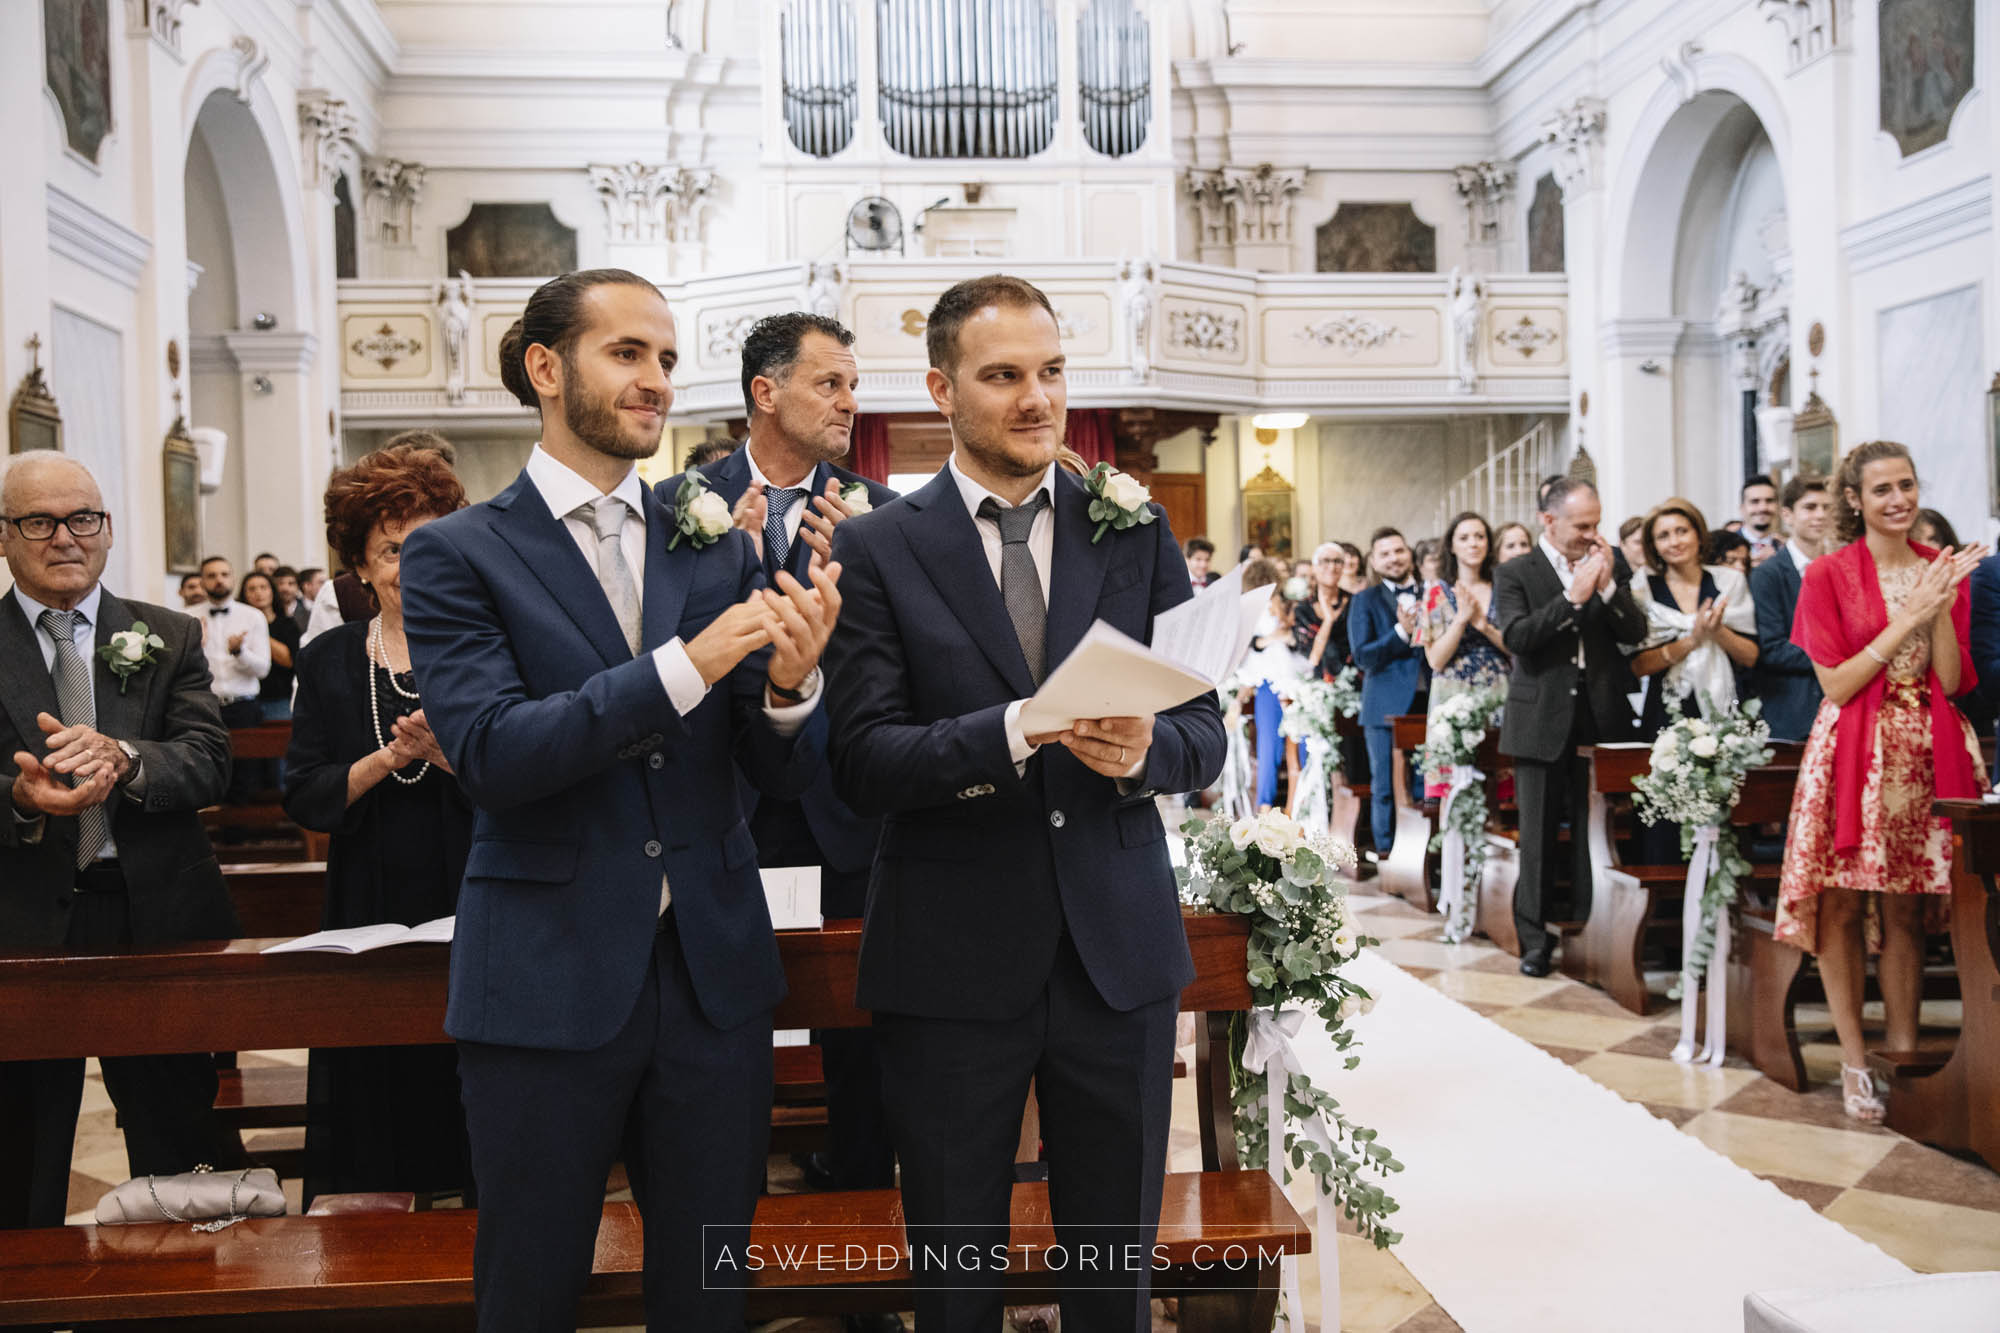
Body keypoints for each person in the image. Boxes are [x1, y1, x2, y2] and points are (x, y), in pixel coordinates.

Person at [400, 268, 841, 1328]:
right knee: (532, 1284)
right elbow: (496, 753)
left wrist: (788, 689)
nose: (656, 382)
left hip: (711, 977)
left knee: (707, 1291)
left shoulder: (705, 544)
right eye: (627, 354)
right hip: (546, 974)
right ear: (546, 369)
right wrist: (681, 667)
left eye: (666, 360)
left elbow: (770, 769)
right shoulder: (458, 552)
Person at [822, 273, 1224, 1331]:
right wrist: (1013, 730)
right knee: (954, 1273)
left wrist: (1143, 751)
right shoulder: (877, 548)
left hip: (1115, 948)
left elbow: (1203, 732)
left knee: (1111, 1277)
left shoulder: (1129, 530)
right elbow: (860, 760)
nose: (1035, 397)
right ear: (939, 390)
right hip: (950, 956)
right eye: (1002, 375)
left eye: (1050, 372)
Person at [660, 311, 900, 1218]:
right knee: (720, 1030)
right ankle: (728, 1221)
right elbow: (664, 644)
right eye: (828, 383)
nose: (848, 401)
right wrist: (733, 560)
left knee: (860, 1038)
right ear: (766, 392)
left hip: (843, 804)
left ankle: (867, 1221)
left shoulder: (879, 513)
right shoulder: (680, 504)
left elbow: (897, 661)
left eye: (851, 383)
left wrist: (857, 577)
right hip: (721, 805)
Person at [0, 453, 242, 1229]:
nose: (64, 537)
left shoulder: (166, 635)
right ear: (5, 537)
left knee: (178, 1134)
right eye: (39, 521)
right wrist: (19, 798)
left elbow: (208, 761)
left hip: (157, 916)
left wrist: (125, 756)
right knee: (21, 1139)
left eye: (84, 518)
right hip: (25, 920)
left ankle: (188, 1300)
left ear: (107, 528)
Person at [284, 445, 475, 1209]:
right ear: (361, 564)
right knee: (379, 1073)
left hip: (472, 881)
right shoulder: (328, 658)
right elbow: (302, 792)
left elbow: (528, 776)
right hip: (370, 889)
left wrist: (448, 758)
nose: (411, 562)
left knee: (468, 1069)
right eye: (393, 548)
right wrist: (386, 757)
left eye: (429, 542)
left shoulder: (482, 646)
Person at [1776, 441, 1988, 1122]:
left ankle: (1901, 1053)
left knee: (1905, 906)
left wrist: (1942, 602)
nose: (1898, 499)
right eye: (1882, 490)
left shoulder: (1937, 567)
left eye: (1907, 485)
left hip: (1924, 748)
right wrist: (1910, 614)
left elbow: (1951, 681)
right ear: (1855, 501)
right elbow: (1836, 683)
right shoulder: (1829, 575)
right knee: (1841, 904)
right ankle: (1854, 1062)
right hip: (1852, 749)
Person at [1494, 478, 1647, 976]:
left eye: (1596, 523)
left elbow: (1635, 631)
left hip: (1598, 714)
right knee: (1537, 835)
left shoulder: (1610, 560)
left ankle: (1589, 929)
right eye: (1582, 525)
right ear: (1549, 519)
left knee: (1593, 830)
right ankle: (1535, 941)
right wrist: (1574, 599)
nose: (1591, 533)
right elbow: (1519, 637)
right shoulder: (1516, 571)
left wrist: (1607, 588)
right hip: (1540, 715)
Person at [1625, 498, 1758, 735]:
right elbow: (1637, 666)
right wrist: (1692, 641)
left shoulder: (1728, 582)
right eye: (1663, 536)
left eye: (1682, 531)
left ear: (1698, 534)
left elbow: (1750, 657)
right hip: (1665, 708)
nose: (1674, 542)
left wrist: (1717, 631)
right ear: (1653, 545)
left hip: (1725, 704)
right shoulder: (1642, 589)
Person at [1349, 527, 1426, 856]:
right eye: (1385, 553)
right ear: (1374, 561)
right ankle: (1387, 852)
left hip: (1428, 699)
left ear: (1409, 552)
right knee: (1384, 784)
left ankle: (1425, 852)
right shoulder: (1365, 600)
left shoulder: (1432, 592)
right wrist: (1400, 631)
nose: (1394, 558)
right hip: (1383, 703)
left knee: (1427, 783)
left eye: (1399, 550)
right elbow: (1364, 656)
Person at [1421, 512, 1510, 790]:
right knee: (1455, 785)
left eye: (1479, 537)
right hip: (1452, 692)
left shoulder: (1504, 588)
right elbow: (1435, 660)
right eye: (1464, 538)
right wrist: (1461, 619)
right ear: (1452, 546)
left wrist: (1483, 626)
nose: (1473, 543)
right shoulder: (1436, 592)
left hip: (1499, 689)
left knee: (1500, 782)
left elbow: (1517, 646)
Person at [1751, 476, 1833, 741]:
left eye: (1827, 507)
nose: (1820, 515)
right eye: (1810, 508)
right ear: (1787, 515)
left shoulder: (1841, 568)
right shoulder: (1768, 574)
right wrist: (1840, 656)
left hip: (1842, 703)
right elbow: (1773, 648)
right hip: (1792, 708)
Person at [1243, 557, 1308, 810]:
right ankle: (1265, 806)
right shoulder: (1250, 609)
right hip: (1268, 682)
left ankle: (1302, 802)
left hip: (1296, 679)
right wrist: (1272, 637)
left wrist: (1284, 629)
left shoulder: (1290, 603)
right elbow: (1254, 644)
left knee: (1303, 743)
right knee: (1268, 746)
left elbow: (1296, 639)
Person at [196, 555, 270, 729]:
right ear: (202, 582)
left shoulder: (253, 616)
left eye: (224, 574)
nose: (219, 580)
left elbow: (263, 670)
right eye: (212, 576)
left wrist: (240, 652)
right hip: (204, 709)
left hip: (244, 708)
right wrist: (196, 648)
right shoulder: (187, 616)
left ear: (234, 579)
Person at [239, 570, 300, 723]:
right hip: (246, 697)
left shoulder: (287, 624)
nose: (258, 593)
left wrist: (260, 630)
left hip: (279, 698)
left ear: (272, 591)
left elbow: (289, 660)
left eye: (263, 587)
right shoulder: (238, 624)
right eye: (251, 589)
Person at [1297, 541, 1352, 678]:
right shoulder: (1303, 608)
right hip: (1316, 685)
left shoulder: (1355, 601)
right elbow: (1312, 658)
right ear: (1314, 568)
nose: (1332, 567)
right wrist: (1328, 620)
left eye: (1337, 561)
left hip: (1353, 679)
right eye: (1325, 561)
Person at [1740, 474, 1781, 567]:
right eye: (1755, 501)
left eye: (1769, 501)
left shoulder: (1785, 548)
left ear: (1777, 507)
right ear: (1742, 508)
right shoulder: (1725, 547)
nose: (1763, 508)